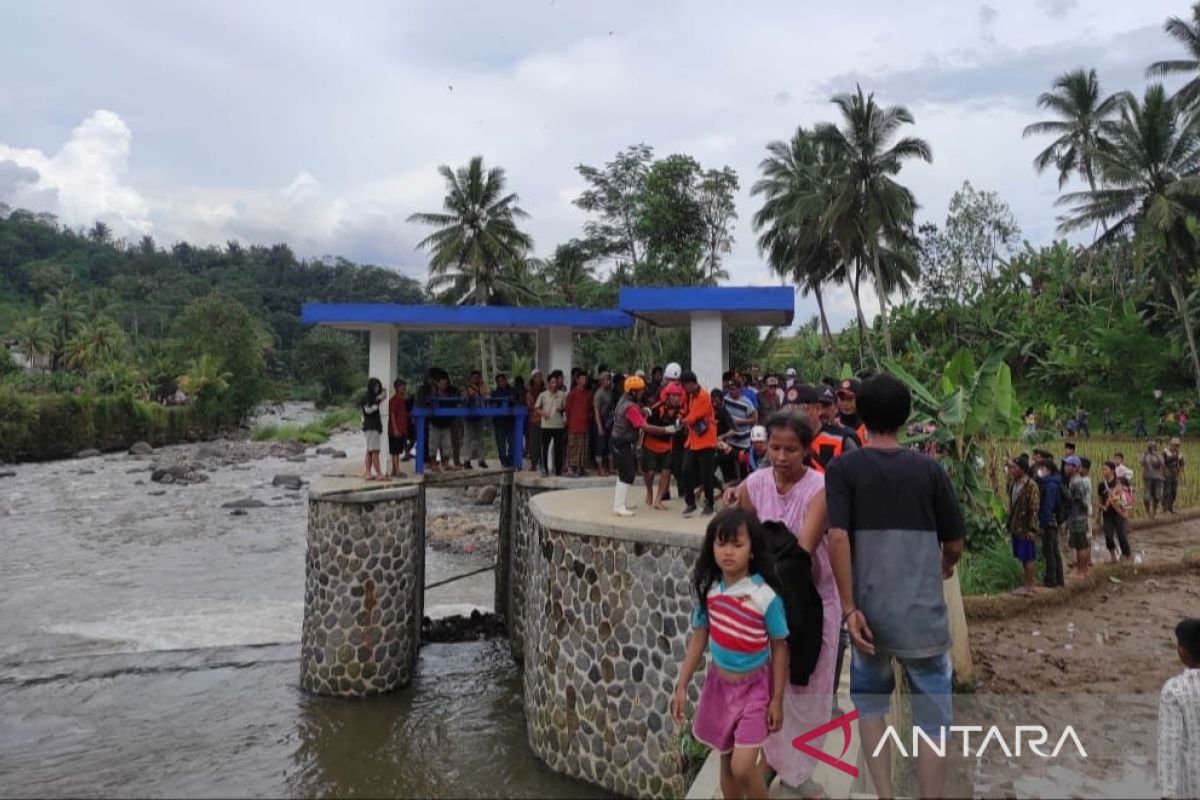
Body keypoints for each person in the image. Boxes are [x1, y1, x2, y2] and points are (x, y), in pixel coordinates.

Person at [824, 374, 965, 800]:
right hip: (924, 621)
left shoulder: (844, 469)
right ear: (906, 417)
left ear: (860, 414)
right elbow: (955, 543)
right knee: (932, 720)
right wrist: (943, 563)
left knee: (870, 707)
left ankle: (884, 795)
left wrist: (850, 608)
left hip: (869, 621)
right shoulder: (930, 470)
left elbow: (837, 538)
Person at [733, 412, 839, 797]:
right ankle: (775, 764)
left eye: (790, 449)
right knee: (771, 688)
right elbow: (740, 538)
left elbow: (802, 554)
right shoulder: (754, 484)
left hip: (813, 601)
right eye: (775, 448)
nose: (780, 456)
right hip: (766, 602)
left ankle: (798, 770)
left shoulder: (820, 489)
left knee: (807, 687)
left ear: (806, 450)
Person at [671, 508, 788, 800]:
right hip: (718, 691)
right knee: (725, 762)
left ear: (752, 550)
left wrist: (777, 699)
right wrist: (682, 685)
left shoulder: (765, 596)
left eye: (738, 544)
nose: (728, 552)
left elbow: (779, 647)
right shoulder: (710, 592)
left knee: (743, 766)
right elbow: (699, 639)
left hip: (755, 691)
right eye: (721, 544)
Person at [609, 375, 676, 516]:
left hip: (620, 441)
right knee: (627, 473)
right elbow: (644, 427)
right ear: (632, 391)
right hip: (622, 442)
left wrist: (644, 411)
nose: (642, 393)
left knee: (623, 472)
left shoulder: (624, 399)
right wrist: (666, 430)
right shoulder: (630, 407)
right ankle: (619, 506)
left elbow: (637, 414)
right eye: (639, 390)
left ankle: (620, 502)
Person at [1158, 617, 1200, 800]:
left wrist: (1168, 793)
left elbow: (1169, 742)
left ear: (1182, 652)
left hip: (1191, 786)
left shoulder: (1174, 690)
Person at [680, 370, 718, 517]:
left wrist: (682, 421)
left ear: (691, 383)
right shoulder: (690, 395)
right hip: (693, 440)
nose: (684, 388)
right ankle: (691, 503)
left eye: (685, 385)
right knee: (685, 469)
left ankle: (709, 504)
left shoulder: (703, 396)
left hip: (706, 440)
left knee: (706, 474)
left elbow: (693, 417)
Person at [642, 382, 684, 510]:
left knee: (666, 472)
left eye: (678, 395)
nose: (676, 398)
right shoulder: (656, 408)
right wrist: (665, 430)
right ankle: (649, 490)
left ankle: (658, 500)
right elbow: (645, 425)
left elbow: (681, 422)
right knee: (650, 472)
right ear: (668, 396)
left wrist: (679, 425)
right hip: (650, 443)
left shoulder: (680, 410)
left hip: (666, 445)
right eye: (674, 395)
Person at [1006, 454, 1040, 596]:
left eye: (1014, 467)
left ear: (1022, 469)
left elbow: (1034, 508)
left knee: (1028, 556)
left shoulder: (1030, 486)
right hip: (1017, 525)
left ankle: (1029, 585)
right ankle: (1028, 584)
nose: (1011, 470)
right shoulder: (1015, 483)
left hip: (1026, 526)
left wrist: (1032, 529)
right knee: (1024, 556)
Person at [1036, 459, 1065, 588]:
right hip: (1054, 520)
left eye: (1042, 468)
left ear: (1049, 470)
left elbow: (1048, 505)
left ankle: (1051, 579)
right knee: (1054, 550)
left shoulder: (1050, 485)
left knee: (1049, 550)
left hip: (1049, 521)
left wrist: (1043, 524)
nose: (1040, 471)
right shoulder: (1055, 482)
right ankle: (1059, 578)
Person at [1097, 460, 1133, 562]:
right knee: (1108, 536)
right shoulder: (1101, 485)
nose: (1103, 471)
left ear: (1112, 470)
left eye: (1105, 469)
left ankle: (1127, 555)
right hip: (1107, 514)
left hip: (1119, 513)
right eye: (1103, 469)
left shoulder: (1119, 482)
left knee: (1122, 535)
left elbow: (1127, 496)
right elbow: (1100, 501)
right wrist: (1099, 513)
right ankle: (1113, 556)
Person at [1064, 456, 1092, 580]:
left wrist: (1066, 495)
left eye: (1068, 465)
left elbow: (1079, 499)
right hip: (1080, 516)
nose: (1065, 468)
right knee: (1083, 544)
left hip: (1077, 517)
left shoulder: (1076, 482)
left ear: (1075, 468)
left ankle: (1080, 571)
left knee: (1080, 545)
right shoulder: (1077, 480)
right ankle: (1084, 569)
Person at [535, 370, 567, 477]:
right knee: (544, 447)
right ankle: (544, 469)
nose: (555, 384)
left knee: (559, 449)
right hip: (546, 425)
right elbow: (537, 407)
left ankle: (558, 470)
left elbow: (566, 407)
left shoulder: (562, 394)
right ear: (548, 383)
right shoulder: (543, 395)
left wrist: (561, 408)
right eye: (552, 382)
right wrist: (542, 412)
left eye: (556, 382)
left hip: (558, 425)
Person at [564, 371, 593, 477]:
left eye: (585, 379)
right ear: (577, 380)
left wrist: (589, 416)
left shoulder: (588, 394)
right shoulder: (572, 394)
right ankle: (571, 468)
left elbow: (590, 408)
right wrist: (569, 422)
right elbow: (568, 409)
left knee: (583, 448)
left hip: (584, 425)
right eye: (582, 379)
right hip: (574, 425)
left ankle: (580, 468)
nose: (584, 381)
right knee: (573, 447)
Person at [427, 372, 457, 472]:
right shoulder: (433, 395)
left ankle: (445, 464)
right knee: (433, 444)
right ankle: (433, 464)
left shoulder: (449, 395)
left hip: (446, 423)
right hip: (435, 423)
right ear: (438, 384)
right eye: (442, 383)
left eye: (445, 383)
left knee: (447, 444)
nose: (444, 385)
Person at [360, 377, 387, 481]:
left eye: (378, 387)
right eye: (376, 387)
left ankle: (368, 473)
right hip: (371, 427)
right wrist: (378, 400)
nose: (377, 389)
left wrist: (380, 397)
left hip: (370, 427)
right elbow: (368, 410)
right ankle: (379, 474)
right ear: (371, 387)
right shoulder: (368, 398)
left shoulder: (372, 398)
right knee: (375, 451)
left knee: (370, 450)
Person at [462, 370, 488, 469]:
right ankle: (466, 460)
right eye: (474, 377)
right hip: (469, 416)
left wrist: (481, 386)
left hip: (480, 416)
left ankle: (481, 460)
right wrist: (469, 394)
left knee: (481, 439)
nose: (476, 379)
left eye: (478, 377)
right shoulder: (466, 388)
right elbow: (464, 399)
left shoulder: (482, 387)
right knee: (468, 439)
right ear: (470, 378)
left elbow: (485, 395)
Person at [490, 372, 518, 468]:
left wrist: (511, 400)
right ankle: (503, 461)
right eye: (499, 381)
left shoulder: (513, 391)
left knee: (512, 442)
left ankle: (510, 461)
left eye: (503, 380)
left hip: (511, 421)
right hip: (499, 422)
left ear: (506, 380)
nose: (502, 382)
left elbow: (517, 402)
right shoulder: (494, 393)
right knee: (501, 444)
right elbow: (491, 405)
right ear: (497, 383)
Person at [593, 371, 614, 477]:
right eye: (606, 379)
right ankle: (600, 469)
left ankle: (610, 468)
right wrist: (599, 426)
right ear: (601, 381)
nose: (608, 381)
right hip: (600, 420)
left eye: (609, 379)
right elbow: (596, 410)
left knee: (609, 445)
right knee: (600, 446)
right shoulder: (599, 393)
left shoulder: (610, 392)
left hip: (609, 421)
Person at [387, 377, 409, 479]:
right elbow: (392, 414)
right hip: (395, 430)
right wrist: (395, 429)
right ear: (396, 388)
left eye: (404, 386)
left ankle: (394, 470)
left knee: (396, 450)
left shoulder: (401, 399)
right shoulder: (395, 399)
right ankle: (397, 471)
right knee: (395, 451)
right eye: (401, 386)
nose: (403, 388)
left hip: (401, 429)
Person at [835, 378, 867, 444]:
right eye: (842, 399)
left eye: (849, 398)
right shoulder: (833, 426)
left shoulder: (870, 428)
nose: (845, 403)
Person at [526, 371, 545, 472]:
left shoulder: (545, 390)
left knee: (544, 443)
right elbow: (529, 405)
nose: (539, 379)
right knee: (534, 443)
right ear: (533, 379)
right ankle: (534, 463)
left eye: (540, 377)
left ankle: (543, 463)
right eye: (537, 377)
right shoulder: (530, 391)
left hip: (544, 421)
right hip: (534, 420)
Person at [1141, 441, 1165, 519]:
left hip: (1158, 478)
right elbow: (1142, 463)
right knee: (1146, 497)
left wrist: (1155, 455)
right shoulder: (1145, 455)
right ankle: (1148, 512)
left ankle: (1154, 512)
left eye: (1153, 446)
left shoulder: (1158, 455)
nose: (1151, 448)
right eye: (1150, 446)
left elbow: (1162, 463)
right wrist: (1145, 455)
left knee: (1157, 496)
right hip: (1148, 478)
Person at [1163, 437, 1185, 514]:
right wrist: (1165, 473)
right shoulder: (1165, 452)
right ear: (1171, 444)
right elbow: (1162, 464)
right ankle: (1165, 509)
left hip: (1175, 474)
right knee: (1167, 491)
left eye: (1177, 445)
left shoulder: (1180, 454)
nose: (1176, 446)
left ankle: (1171, 508)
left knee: (1174, 491)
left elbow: (1182, 464)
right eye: (1175, 445)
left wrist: (1179, 474)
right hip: (1168, 473)